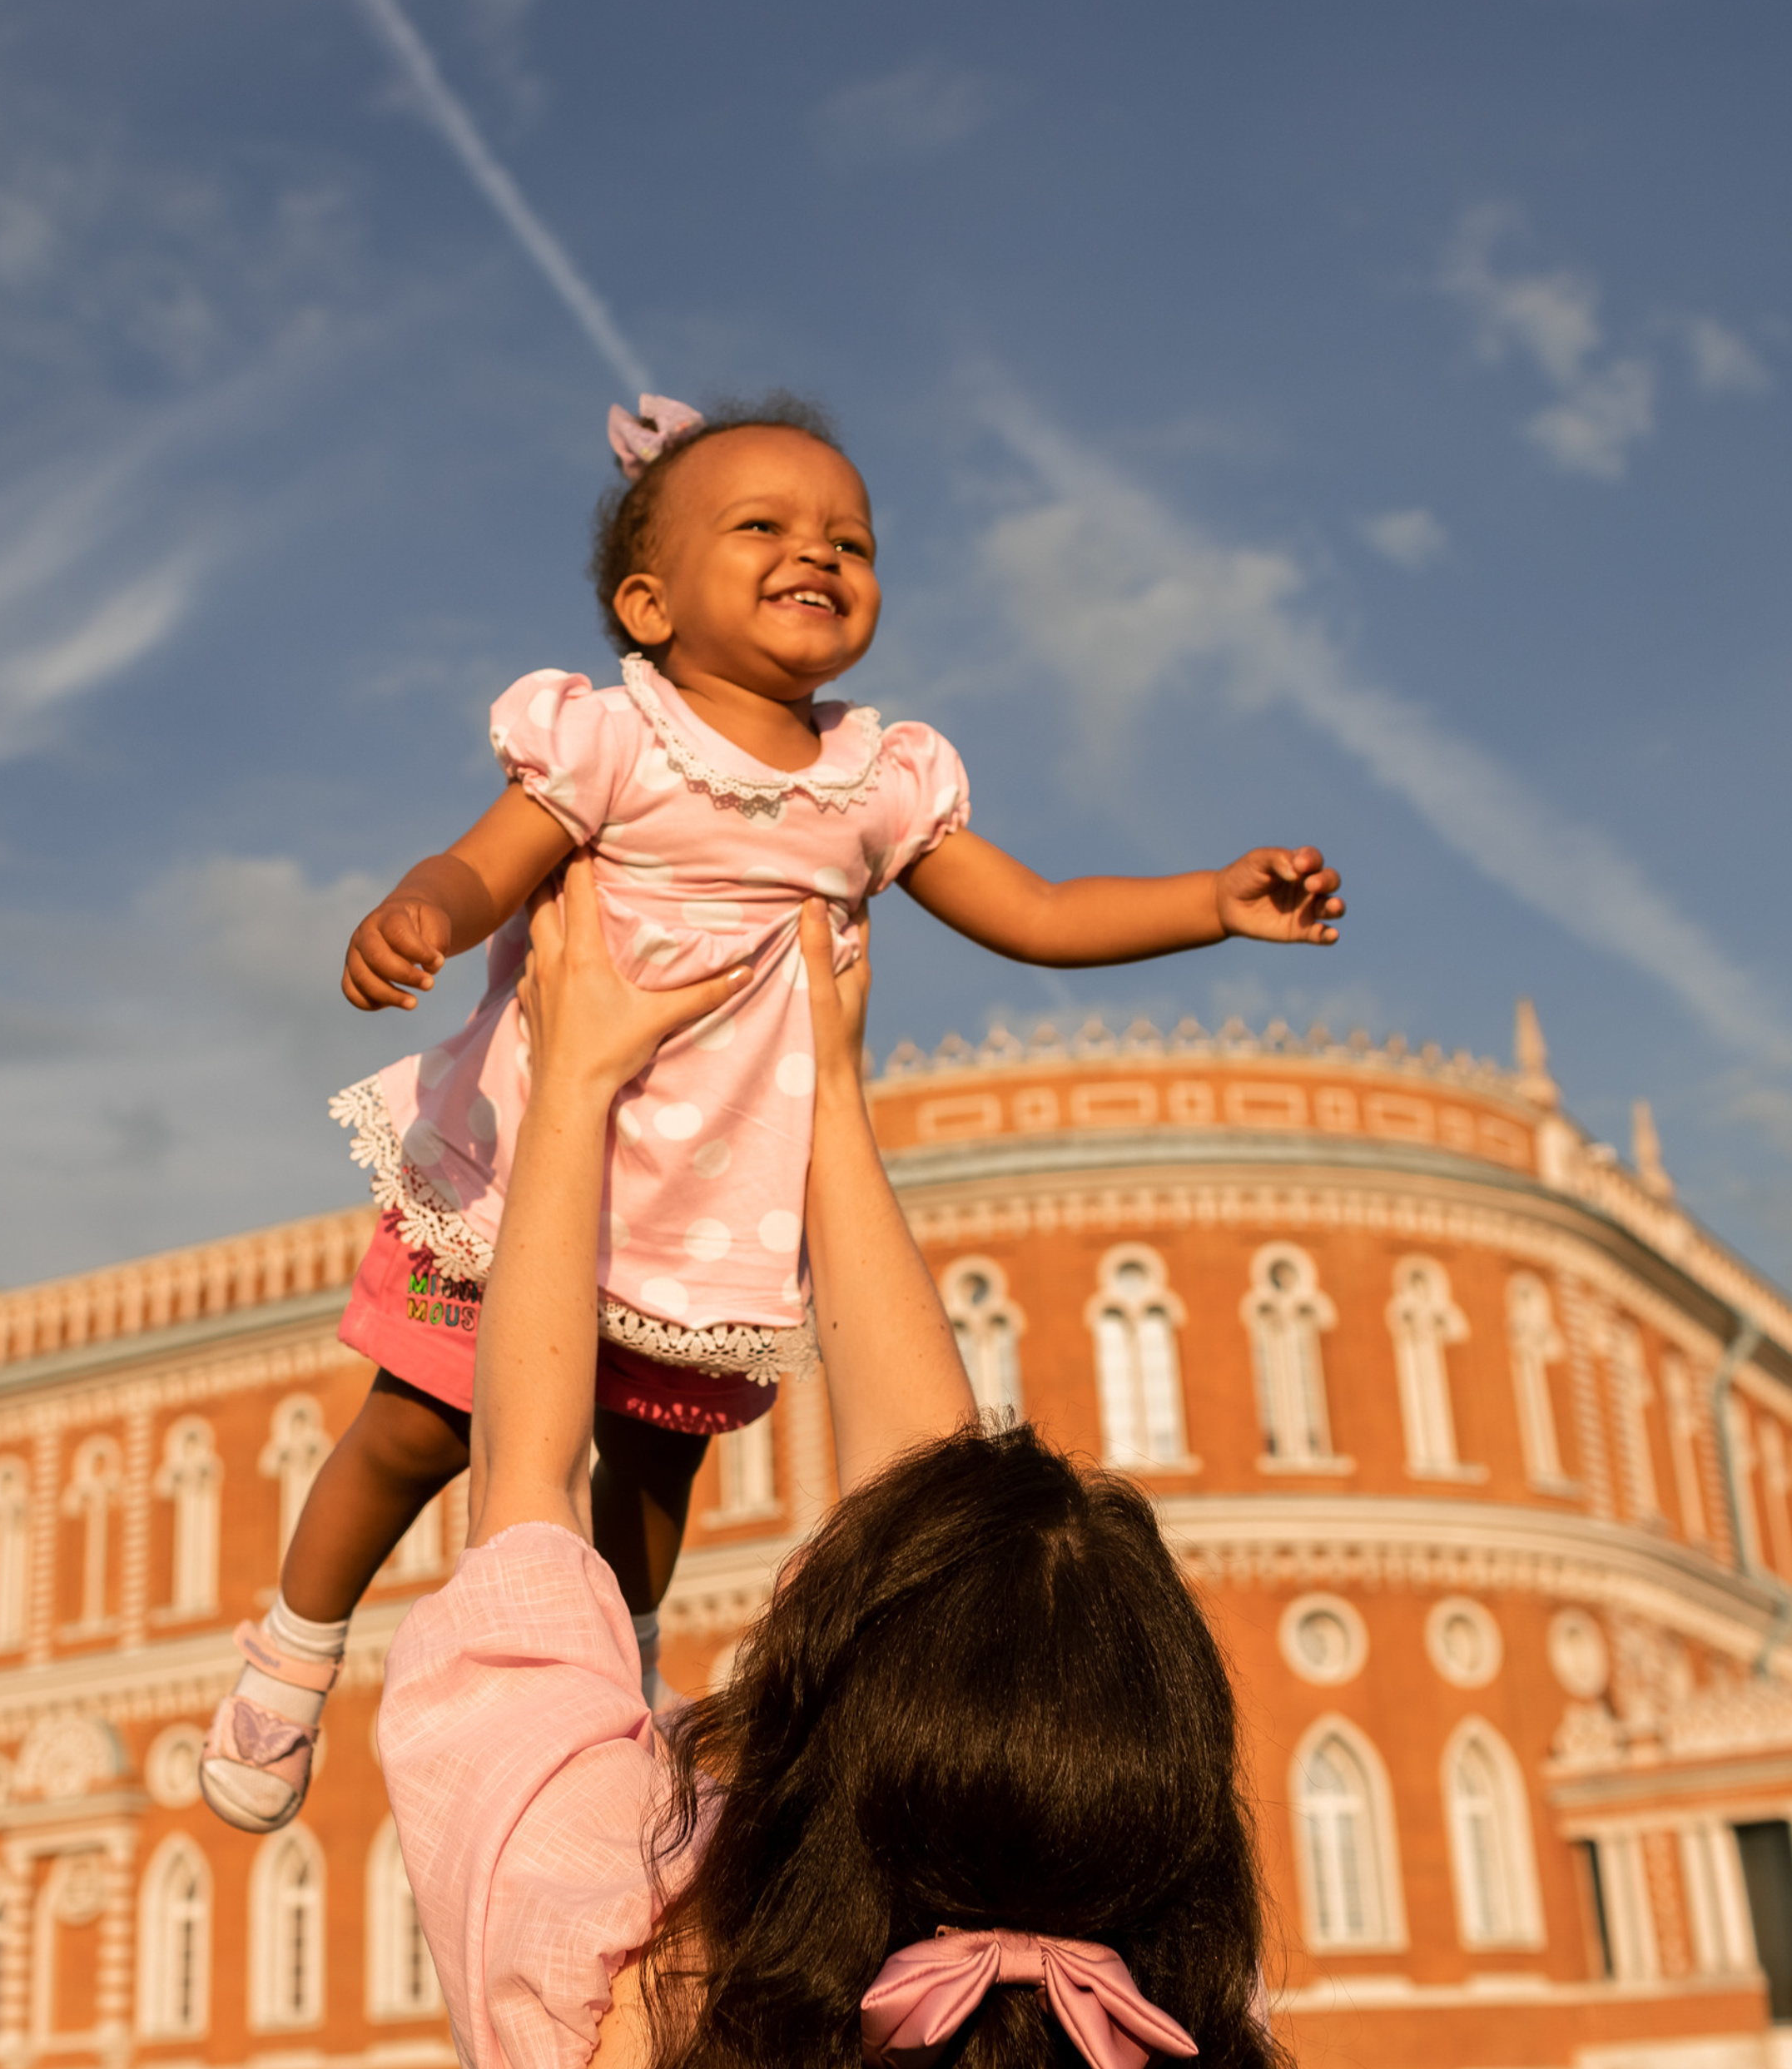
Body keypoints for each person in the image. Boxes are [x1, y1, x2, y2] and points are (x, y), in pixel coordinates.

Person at [201, 390, 1344, 1833]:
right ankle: (295, 1652)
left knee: (658, 1459)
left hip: (719, 1201)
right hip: (533, 1164)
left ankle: (610, 1666)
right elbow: (483, 859)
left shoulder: (877, 780)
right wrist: (419, 910)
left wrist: (1209, 905)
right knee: (423, 1424)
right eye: (763, 527)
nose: (818, 551)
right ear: (648, 601)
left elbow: (1037, 912)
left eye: (849, 538)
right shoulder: (613, 741)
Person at [378, 857, 1278, 2069]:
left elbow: (524, 1490)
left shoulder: (620, 1969)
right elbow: (925, 1519)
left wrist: (575, 1080)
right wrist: (832, 1106)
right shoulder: (1183, 2022)